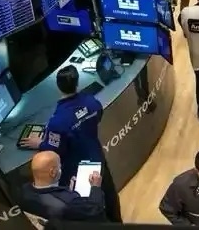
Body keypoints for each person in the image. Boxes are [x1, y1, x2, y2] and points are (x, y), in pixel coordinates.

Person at [18, 65, 122, 223]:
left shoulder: (57, 121)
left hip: (76, 170)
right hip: (97, 159)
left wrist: (40, 143)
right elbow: (98, 116)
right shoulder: (91, 101)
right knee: (109, 196)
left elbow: (54, 150)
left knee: (89, 209)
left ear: (58, 86)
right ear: (77, 83)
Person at [20, 151, 106, 223]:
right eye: (59, 166)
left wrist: (68, 192)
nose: (60, 168)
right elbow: (94, 209)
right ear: (53, 172)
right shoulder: (68, 203)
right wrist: (96, 186)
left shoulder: (24, 191)